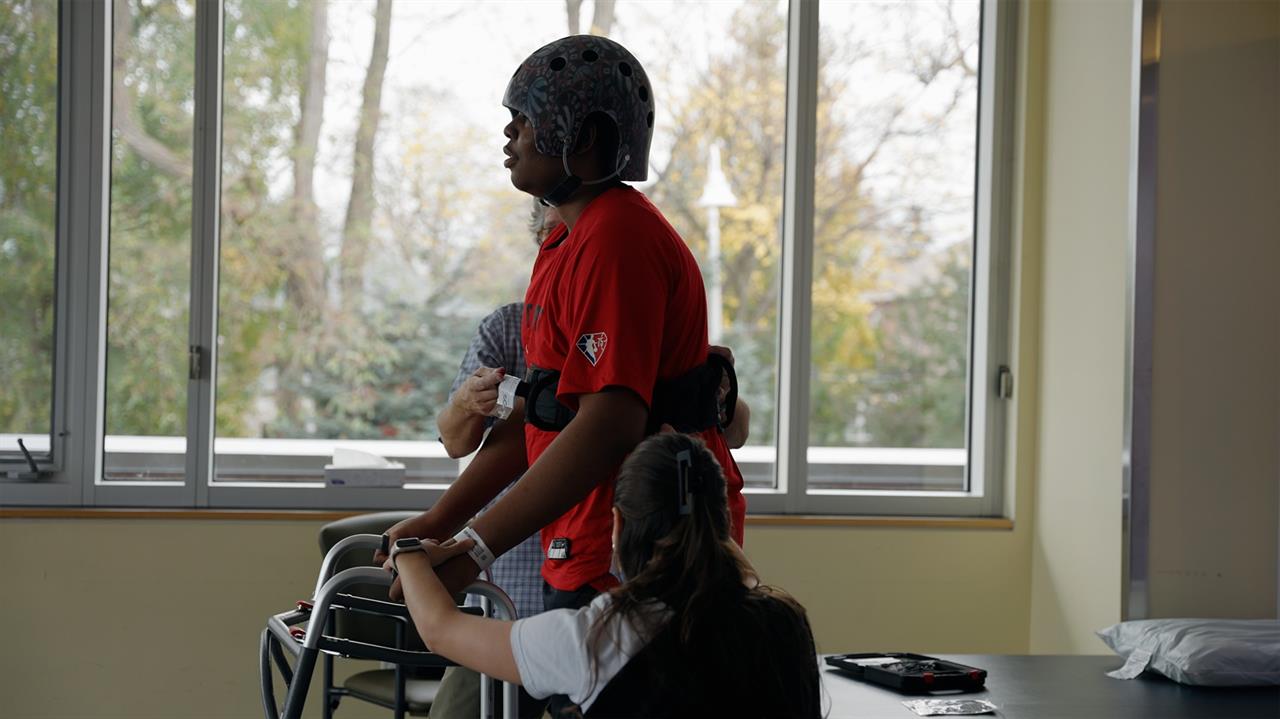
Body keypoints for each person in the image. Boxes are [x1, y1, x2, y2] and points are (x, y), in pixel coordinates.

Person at [376, 34, 748, 714]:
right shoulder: (563, 244)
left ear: (586, 140)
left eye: (525, 118)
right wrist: (439, 522)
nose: (509, 133)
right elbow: (544, 417)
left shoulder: (618, 237)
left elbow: (609, 426)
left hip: (636, 549)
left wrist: (474, 549)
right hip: (579, 539)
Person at [384, 433, 822, 718]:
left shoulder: (601, 635)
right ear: (721, 520)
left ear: (616, 526)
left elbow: (440, 628)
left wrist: (408, 552)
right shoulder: (784, 623)